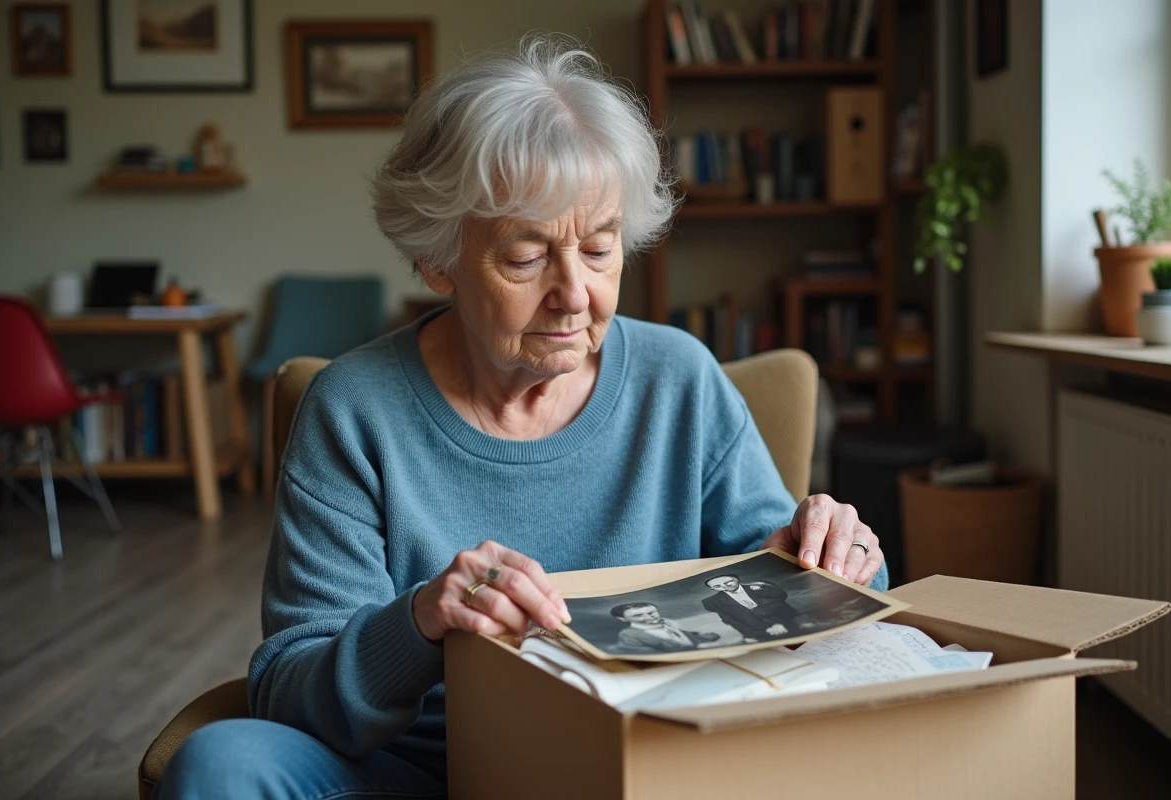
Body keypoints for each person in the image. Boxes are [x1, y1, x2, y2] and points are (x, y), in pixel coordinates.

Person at [155, 34, 886, 799]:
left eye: (600, 249)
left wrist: (839, 553)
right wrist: (419, 624)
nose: (575, 293)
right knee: (219, 768)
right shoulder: (352, 409)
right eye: (527, 256)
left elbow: (819, 604)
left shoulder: (680, 381)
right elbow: (289, 689)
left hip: (639, 761)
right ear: (437, 258)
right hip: (412, 769)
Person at [701, 575, 806, 641]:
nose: (724, 587)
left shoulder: (758, 587)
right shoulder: (712, 602)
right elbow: (730, 620)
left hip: (789, 620)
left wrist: (763, 586)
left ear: (737, 580)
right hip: (757, 630)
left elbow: (781, 597)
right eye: (717, 586)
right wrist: (756, 633)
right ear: (712, 589)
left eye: (727, 582)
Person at [610, 602, 721, 654]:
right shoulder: (629, 635)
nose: (649, 617)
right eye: (638, 615)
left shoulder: (668, 625)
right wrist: (698, 648)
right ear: (622, 619)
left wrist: (705, 638)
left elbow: (688, 638)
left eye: (651, 612)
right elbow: (647, 654)